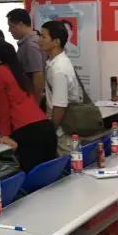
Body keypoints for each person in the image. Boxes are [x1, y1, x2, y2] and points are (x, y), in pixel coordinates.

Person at [0, 38, 56, 171]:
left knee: (31, 176)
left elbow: (2, 108)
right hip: (45, 126)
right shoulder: (17, 70)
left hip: (27, 130)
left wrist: (5, 135)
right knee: (48, 175)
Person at [38, 20, 83, 154]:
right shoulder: (56, 62)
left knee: (66, 163)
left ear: (56, 42)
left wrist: (51, 131)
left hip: (63, 131)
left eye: (43, 37)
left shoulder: (58, 69)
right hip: (63, 127)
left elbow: (60, 106)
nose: (39, 40)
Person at [7, 8, 45, 105]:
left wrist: (35, 104)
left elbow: (38, 75)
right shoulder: (27, 43)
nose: (9, 30)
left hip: (34, 100)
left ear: (20, 24)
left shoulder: (30, 45)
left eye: (11, 26)